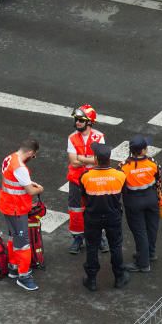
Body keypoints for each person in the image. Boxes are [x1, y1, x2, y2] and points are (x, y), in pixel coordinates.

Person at [80, 142, 130, 291]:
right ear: (109, 159)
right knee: (115, 246)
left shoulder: (85, 177)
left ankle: (92, 280)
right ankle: (119, 277)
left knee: (92, 247)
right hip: (113, 216)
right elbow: (123, 194)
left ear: (95, 159)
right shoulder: (120, 175)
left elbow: (83, 198)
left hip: (92, 217)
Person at [0, 139, 44, 291]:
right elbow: (30, 191)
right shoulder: (20, 168)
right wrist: (39, 189)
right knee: (23, 243)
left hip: (7, 204)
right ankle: (24, 276)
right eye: (34, 156)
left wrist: (28, 183)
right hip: (17, 209)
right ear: (30, 153)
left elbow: (10, 181)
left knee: (13, 236)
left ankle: (13, 267)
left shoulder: (9, 158)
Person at [66, 103, 104, 254]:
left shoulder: (99, 137)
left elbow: (100, 160)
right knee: (75, 210)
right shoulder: (72, 138)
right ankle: (77, 238)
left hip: (93, 179)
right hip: (76, 180)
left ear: (89, 121)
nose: (77, 122)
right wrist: (90, 159)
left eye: (80, 120)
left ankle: (99, 236)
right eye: (76, 119)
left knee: (96, 209)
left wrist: (82, 158)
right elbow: (73, 161)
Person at [121, 135, 160, 272]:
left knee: (140, 232)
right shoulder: (153, 163)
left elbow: (122, 186)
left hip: (133, 201)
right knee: (152, 227)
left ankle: (143, 264)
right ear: (143, 151)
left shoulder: (123, 167)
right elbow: (158, 180)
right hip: (151, 199)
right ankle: (151, 253)